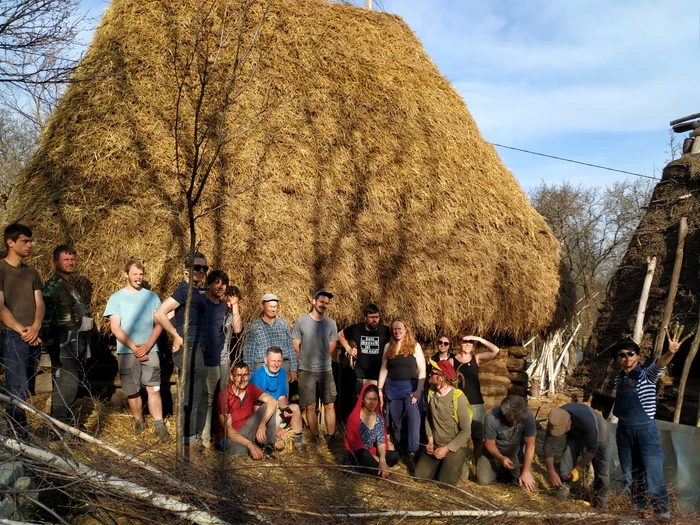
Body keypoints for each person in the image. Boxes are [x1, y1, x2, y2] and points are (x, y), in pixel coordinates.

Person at [609, 335, 682, 519]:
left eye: (631, 353)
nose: (627, 357)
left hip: (645, 431)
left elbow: (659, 364)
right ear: (618, 359)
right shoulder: (618, 380)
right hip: (624, 432)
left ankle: (661, 514)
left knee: (653, 471)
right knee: (631, 472)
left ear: (637, 356)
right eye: (622, 355)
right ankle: (638, 511)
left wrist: (670, 352)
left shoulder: (646, 375)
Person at [104, 260, 169, 441]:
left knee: (153, 388)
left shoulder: (152, 297)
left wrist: (148, 345)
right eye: (134, 274)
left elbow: (160, 322)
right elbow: (115, 327)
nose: (138, 278)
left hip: (150, 349)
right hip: (127, 352)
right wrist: (134, 347)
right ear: (126, 275)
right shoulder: (116, 298)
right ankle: (139, 421)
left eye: (141, 275)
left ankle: (159, 425)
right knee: (132, 390)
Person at [154, 252, 209, 456]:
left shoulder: (194, 291)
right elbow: (160, 313)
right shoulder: (183, 290)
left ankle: (191, 440)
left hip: (197, 348)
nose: (201, 271)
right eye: (197, 267)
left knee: (195, 395)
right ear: (187, 270)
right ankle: (188, 443)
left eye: (204, 268)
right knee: (190, 396)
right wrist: (175, 336)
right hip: (188, 348)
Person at [42, 245, 94, 426]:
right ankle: (61, 429)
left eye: (73, 259)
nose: (71, 262)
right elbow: (45, 318)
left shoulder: (69, 285)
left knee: (68, 386)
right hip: (63, 344)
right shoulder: (53, 286)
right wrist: (51, 344)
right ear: (55, 262)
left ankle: (63, 427)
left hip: (73, 343)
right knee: (67, 386)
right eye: (66, 259)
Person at [0, 224, 44, 436]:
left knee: (24, 388)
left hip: (32, 337)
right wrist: (22, 330)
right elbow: (0, 306)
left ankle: (12, 431)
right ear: (11, 242)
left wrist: (35, 327)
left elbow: (40, 303)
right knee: (16, 387)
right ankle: (19, 437)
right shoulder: (1, 269)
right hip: (11, 336)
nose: (30, 245)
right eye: (25, 241)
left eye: (30, 241)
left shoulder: (31, 272)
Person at [201, 270, 242, 449]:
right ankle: (204, 439)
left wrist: (235, 306)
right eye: (216, 282)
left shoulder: (228, 311)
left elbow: (238, 329)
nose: (220, 286)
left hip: (224, 360)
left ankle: (221, 437)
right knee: (209, 400)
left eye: (223, 283)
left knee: (223, 399)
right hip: (209, 360)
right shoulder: (207, 305)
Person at [377, 319, 426, 469]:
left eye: (400, 328)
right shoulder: (388, 346)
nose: (397, 331)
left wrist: (418, 391)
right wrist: (379, 389)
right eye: (394, 329)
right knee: (396, 422)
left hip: (411, 388)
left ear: (406, 329)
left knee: (413, 420)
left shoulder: (414, 346)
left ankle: (413, 452)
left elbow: (422, 370)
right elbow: (384, 369)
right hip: (392, 388)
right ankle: (401, 449)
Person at [414, 360, 471, 486]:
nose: (429, 375)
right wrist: (430, 440)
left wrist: (446, 449)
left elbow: (466, 430)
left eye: (433, 373)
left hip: (453, 447)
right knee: (419, 477)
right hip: (435, 444)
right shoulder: (431, 393)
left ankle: (459, 465)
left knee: (444, 485)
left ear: (442, 377)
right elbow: (428, 419)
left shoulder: (457, 397)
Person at [292, 289, 339, 443]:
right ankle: (316, 437)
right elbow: (296, 346)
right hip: (306, 370)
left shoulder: (331, 323)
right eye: (321, 302)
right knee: (310, 406)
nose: (324, 305)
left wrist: (323, 359)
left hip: (326, 370)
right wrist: (299, 365)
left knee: (330, 403)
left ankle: (331, 437)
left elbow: (332, 346)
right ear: (314, 301)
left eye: (326, 303)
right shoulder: (301, 321)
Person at [544, 403, 610, 509]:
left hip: (598, 430)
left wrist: (579, 467)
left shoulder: (588, 422)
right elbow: (548, 447)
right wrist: (551, 472)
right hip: (574, 432)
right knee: (568, 454)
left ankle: (600, 503)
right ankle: (564, 488)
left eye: (561, 431)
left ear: (569, 422)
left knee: (602, 468)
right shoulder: (555, 419)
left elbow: (592, 449)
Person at [216, 361, 285, 458]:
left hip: (249, 428)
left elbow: (273, 401)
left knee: (267, 405)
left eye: (245, 375)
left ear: (249, 376)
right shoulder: (224, 396)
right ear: (232, 377)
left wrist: (262, 424)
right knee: (240, 452)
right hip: (232, 436)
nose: (242, 379)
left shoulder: (251, 388)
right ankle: (257, 447)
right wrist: (250, 444)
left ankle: (270, 443)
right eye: (239, 375)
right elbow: (229, 431)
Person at [452, 334, 500, 464]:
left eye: (470, 342)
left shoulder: (476, 358)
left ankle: (478, 463)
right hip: (459, 403)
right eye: (465, 342)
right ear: (459, 343)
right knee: (460, 434)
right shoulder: (452, 360)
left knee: (477, 437)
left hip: (476, 403)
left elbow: (495, 350)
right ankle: (460, 463)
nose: (467, 344)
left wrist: (478, 339)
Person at [250, 346, 305, 453]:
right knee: (279, 446)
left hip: (276, 411)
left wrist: (284, 408)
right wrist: (275, 428)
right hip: (263, 417)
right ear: (266, 360)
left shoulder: (282, 372)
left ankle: (298, 444)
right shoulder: (257, 377)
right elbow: (255, 409)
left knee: (295, 408)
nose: (276, 364)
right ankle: (268, 442)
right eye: (273, 361)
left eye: (279, 361)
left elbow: (281, 397)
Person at [478, 394, 536, 492]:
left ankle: (506, 473)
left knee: (525, 486)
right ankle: (500, 470)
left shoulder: (528, 416)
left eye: (517, 420)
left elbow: (530, 445)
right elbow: (489, 444)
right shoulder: (492, 417)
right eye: (512, 419)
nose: (514, 423)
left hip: (515, 455)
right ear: (504, 413)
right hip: (494, 454)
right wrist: (501, 458)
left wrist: (526, 471)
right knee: (483, 480)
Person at [344, 384, 399, 477]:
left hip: (372, 453)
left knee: (394, 456)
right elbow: (355, 445)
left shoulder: (379, 418)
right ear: (362, 399)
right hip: (358, 455)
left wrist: (382, 459)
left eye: (375, 399)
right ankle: (381, 472)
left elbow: (381, 441)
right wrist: (378, 460)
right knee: (363, 454)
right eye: (369, 399)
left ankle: (372, 470)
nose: (372, 402)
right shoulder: (354, 418)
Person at [243, 293, 297, 381]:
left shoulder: (283, 324)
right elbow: (249, 352)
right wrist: (249, 372)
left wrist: (293, 369)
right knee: (262, 394)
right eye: (270, 306)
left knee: (282, 394)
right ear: (263, 306)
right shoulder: (254, 327)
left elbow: (290, 347)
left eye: (275, 307)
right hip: (261, 367)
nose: (273, 309)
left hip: (282, 366)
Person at [338, 304, 391, 387]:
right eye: (371, 317)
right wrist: (348, 349)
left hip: (380, 377)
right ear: (365, 318)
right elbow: (340, 335)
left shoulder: (385, 330)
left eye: (376, 317)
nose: (374, 320)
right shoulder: (357, 329)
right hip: (361, 377)